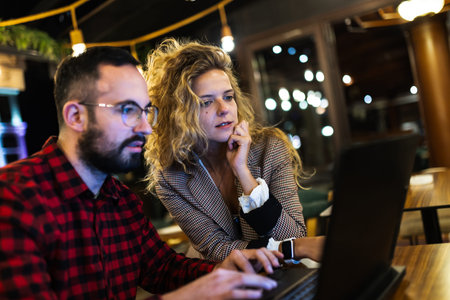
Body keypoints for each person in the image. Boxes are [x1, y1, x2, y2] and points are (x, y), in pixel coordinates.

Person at [0, 46, 284, 299]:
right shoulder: (13, 198)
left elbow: (163, 269)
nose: (146, 128)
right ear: (76, 116)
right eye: (127, 110)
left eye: (146, 111)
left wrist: (223, 269)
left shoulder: (121, 201)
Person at [144, 38, 324, 262]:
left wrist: (243, 173)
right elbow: (216, 250)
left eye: (228, 97)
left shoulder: (271, 148)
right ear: (178, 114)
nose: (224, 109)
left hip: (287, 276)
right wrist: (291, 249)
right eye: (206, 102)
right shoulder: (171, 177)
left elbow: (293, 234)